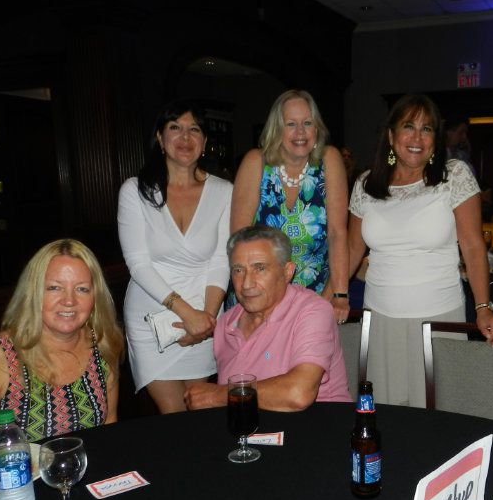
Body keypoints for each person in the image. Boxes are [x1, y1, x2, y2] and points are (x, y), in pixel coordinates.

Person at [348, 94, 493, 408]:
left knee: (439, 418)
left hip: (438, 318)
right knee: (386, 415)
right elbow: (353, 248)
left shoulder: (454, 176)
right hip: (380, 319)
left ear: (436, 139)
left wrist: (483, 307)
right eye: (408, 127)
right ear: (391, 136)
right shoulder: (366, 183)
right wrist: (334, 294)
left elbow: (474, 247)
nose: (417, 137)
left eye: (427, 129)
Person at [118, 100, 233, 414]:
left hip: (206, 310)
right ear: (159, 138)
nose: (185, 137)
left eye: (194, 129)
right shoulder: (135, 190)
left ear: (205, 142)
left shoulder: (224, 191)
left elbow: (222, 261)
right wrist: (187, 315)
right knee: (171, 415)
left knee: (202, 408)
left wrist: (205, 320)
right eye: (175, 128)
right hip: (152, 315)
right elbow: (138, 263)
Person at [184, 226, 351, 411]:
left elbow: (298, 394)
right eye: (238, 270)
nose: (246, 284)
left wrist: (217, 395)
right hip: (252, 433)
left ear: (287, 271)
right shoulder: (226, 322)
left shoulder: (313, 311)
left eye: (260, 268)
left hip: (315, 428)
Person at [0, 239, 124, 444]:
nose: (69, 301)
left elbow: (109, 426)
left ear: (95, 297)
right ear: (33, 293)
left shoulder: (103, 345)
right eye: (55, 288)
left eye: (82, 289)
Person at [231, 90, 349, 325]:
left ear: (317, 129)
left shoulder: (329, 159)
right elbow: (238, 242)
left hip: (314, 299)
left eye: (307, 123)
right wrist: (256, 301)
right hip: (258, 299)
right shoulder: (256, 162)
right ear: (277, 130)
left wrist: (339, 294)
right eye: (291, 124)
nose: (300, 132)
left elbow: (338, 234)